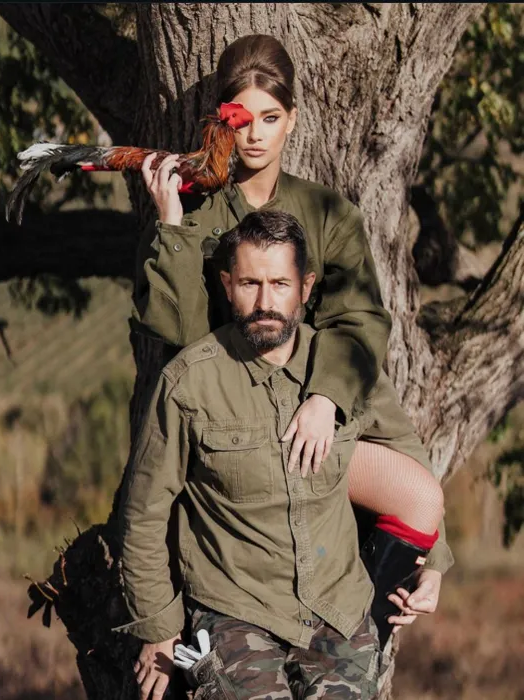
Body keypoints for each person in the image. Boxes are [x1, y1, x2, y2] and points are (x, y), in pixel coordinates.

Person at [132, 33, 453, 643]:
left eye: (271, 118)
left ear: (293, 120)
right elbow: (179, 333)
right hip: (233, 423)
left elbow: (358, 325)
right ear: (221, 123)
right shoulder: (197, 214)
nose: (255, 135)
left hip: (320, 406)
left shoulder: (329, 213)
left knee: (406, 467)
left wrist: (325, 399)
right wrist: (171, 225)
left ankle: (360, 642)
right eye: (242, 120)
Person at [120, 212, 409, 698]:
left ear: (306, 287)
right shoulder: (190, 382)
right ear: (227, 285)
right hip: (236, 610)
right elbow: (144, 513)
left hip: (337, 607)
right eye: (250, 284)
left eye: (280, 284)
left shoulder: (346, 369)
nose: (264, 303)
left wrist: (433, 564)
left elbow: (407, 457)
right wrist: (158, 628)